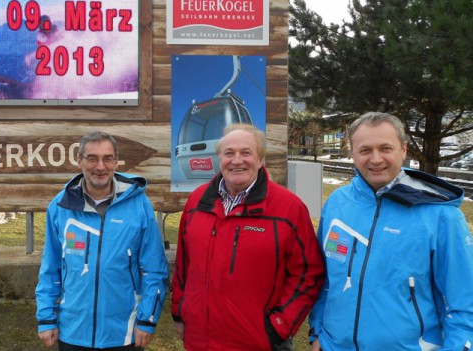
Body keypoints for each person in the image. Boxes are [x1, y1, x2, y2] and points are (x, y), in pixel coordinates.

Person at [309, 112, 473, 350]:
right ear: (352, 152)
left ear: (403, 149)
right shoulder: (337, 204)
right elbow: (325, 278)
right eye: (365, 150)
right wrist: (317, 334)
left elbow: (465, 303)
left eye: (385, 148)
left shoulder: (440, 215)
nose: (376, 159)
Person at [171, 123, 324, 350]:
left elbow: (308, 273)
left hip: (259, 342)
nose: (237, 160)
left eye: (246, 153)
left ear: (260, 160)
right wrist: (179, 311)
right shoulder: (197, 201)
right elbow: (184, 264)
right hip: (199, 340)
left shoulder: (289, 208)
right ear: (219, 158)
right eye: (229, 153)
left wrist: (280, 325)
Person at [35, 131, 169, 350]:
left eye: (107, 158)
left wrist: (147, 320)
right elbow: (51, 268)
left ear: (116, 162)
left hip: (123, 332)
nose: (100, 166)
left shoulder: (139, 205)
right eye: (92, 158)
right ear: (79, 161)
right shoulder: (60, 206)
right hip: (73, 331)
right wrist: (46, 317)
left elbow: (155, 269)